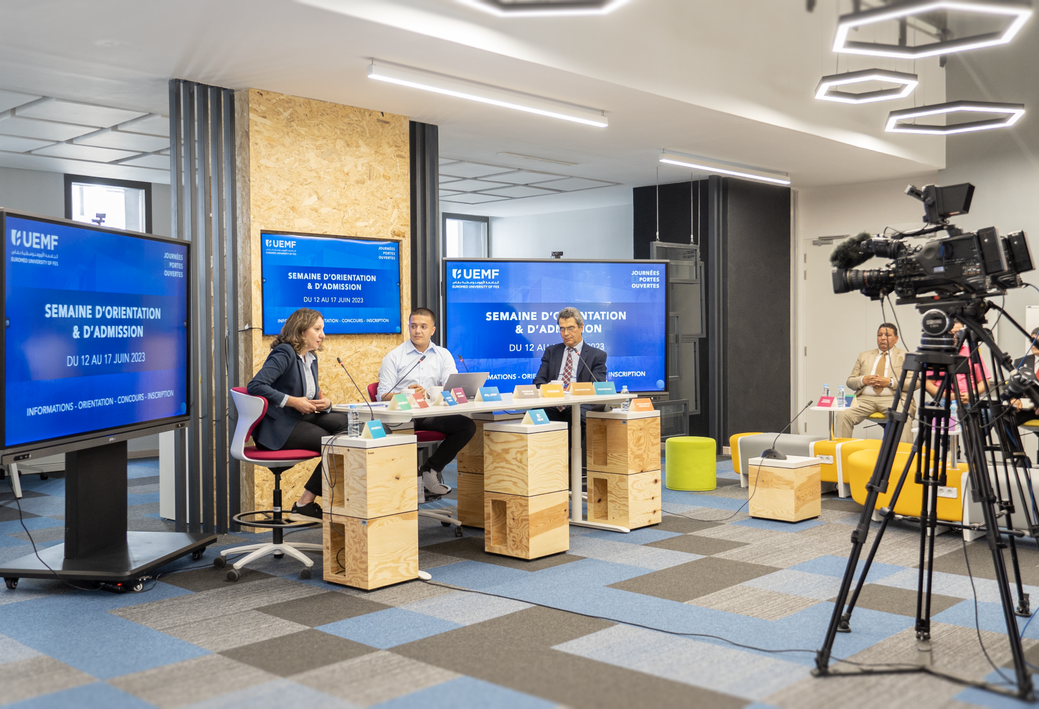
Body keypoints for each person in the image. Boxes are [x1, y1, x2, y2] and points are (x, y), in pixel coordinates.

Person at [247, 308, 348, 521]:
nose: (323, 335)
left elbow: (308, 396)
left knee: (350, 426)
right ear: (302, 331)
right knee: (337, 443)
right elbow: (255, 385)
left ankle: (316, 504)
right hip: (278, 427)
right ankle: (304, 503)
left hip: (300, 418)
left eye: (323, 329)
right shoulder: (284, 352)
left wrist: (325, 404)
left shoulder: (311, 358)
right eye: (317, 329)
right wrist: (292, 401)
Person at [377, 307, 475, 503]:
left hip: (431, 413)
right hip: (404, 416)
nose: (417, 331)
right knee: (402, 432)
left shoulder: (442, 355)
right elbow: (382, 395)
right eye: (413, 326)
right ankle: (406, 487)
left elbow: (451, 387)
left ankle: (429, 470)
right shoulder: (394, 357)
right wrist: (408, 394)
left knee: (467, 426)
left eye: (423, 327)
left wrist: (428, 393)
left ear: (433, 330)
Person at [837, 323, 914, 442]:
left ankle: (904, 452)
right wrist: (863, 379)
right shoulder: (864, 355)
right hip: (864, 399)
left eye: (887, 335)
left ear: (896, 338)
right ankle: (841, 449)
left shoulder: (906, 356)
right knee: (843, 415)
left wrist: (889, 382)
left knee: (902, 416)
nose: (882, 338)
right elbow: (850, 381)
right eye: (879, 335)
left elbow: (915, 382)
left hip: (894, 398)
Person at [533, 307, 608, 427]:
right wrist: (548, 388)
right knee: (534, 415)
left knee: (577, 416)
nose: (566, 333)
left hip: (579, 404)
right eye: (562, 329)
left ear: (581, 327)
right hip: (552, 404)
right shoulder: (551, 351)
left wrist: (577, 388)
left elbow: (599, 385)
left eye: (570, 328)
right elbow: (538, 381)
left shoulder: (597, 356)